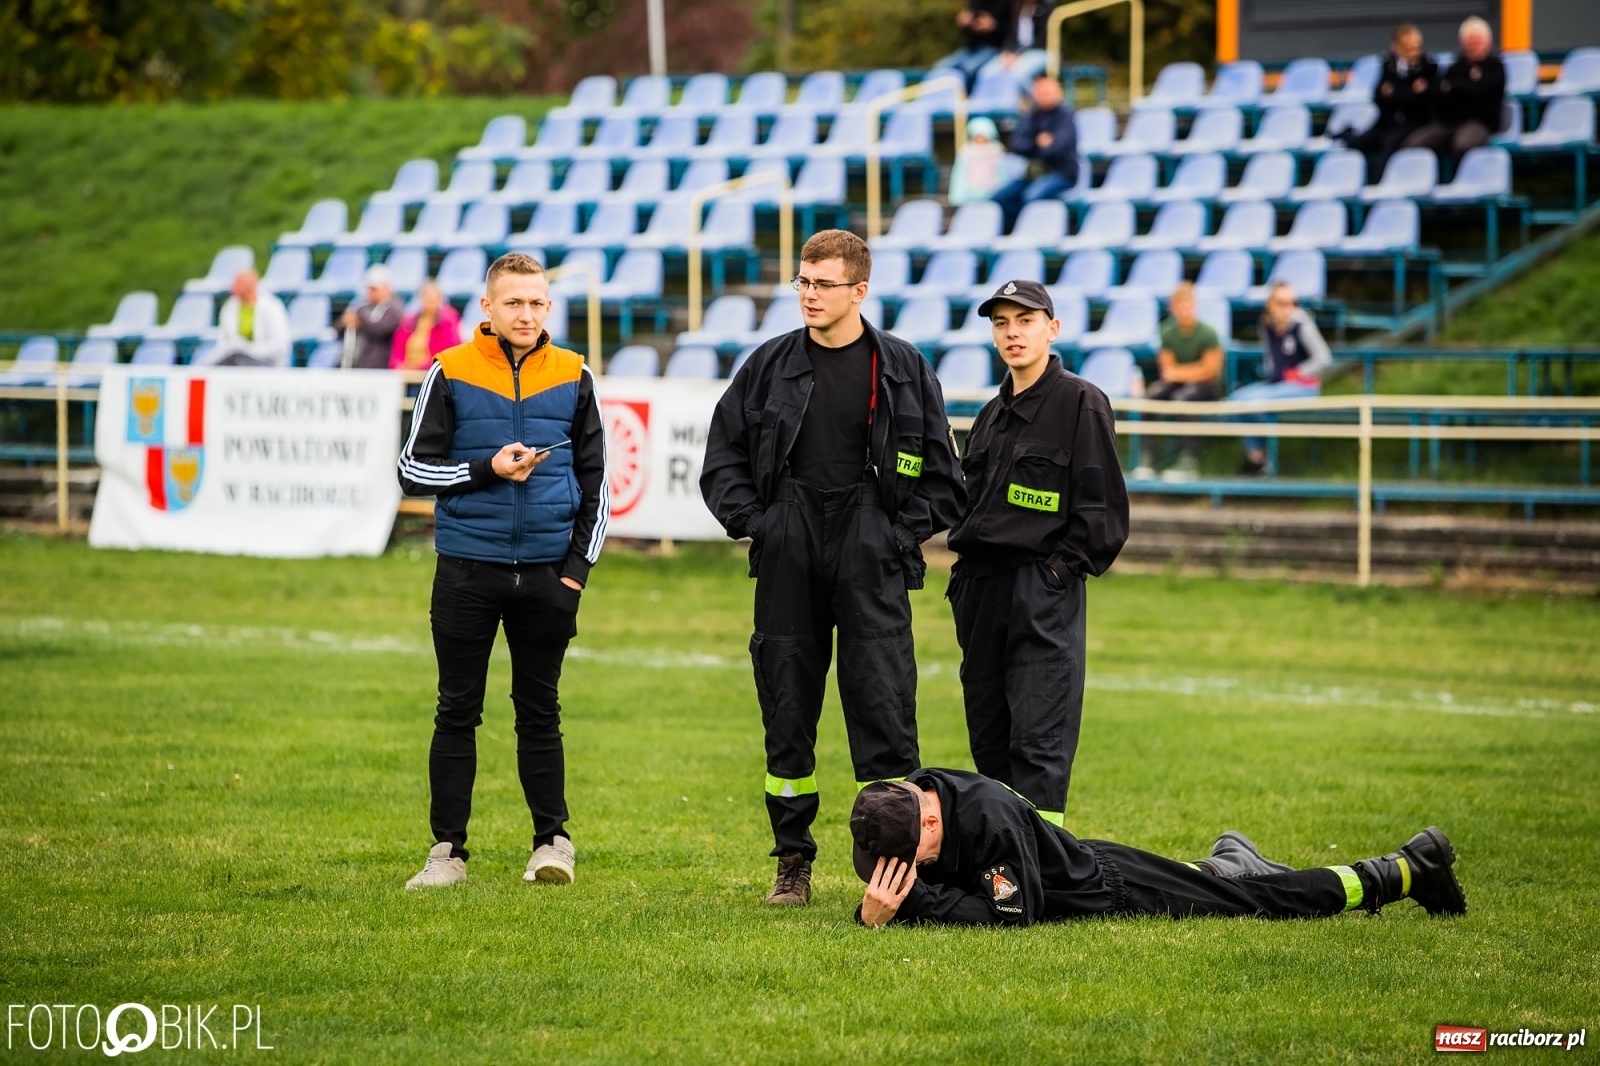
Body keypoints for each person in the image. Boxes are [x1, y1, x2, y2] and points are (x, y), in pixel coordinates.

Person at [700, 230, 965, 907]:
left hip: (870, 550)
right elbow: (722, 461)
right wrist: (760, 524)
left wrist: (895, 535)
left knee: (883, 709)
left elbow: (944, 479)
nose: (809, 295)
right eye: (804, 282)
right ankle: (792, 861)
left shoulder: (903, 369)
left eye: (823, 284)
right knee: (787, 708)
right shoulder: (767, 366)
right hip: (789, 545)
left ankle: (889, 866)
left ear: (859, 291)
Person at [397, 252, 609, 890]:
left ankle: (552, 843)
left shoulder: (575, 374)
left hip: (547, 576)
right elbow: (411, 470)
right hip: (466, 572)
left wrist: (575, 572)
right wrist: (485, 467)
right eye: (512, 302)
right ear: (487, 308)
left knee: (539, 710)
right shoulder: (450, 370)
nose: (526, 313)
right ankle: (446, 852)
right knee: (456, 710)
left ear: (549, 306)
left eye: (537, 302)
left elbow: (597, 484)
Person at [945, 280, 1127, 827]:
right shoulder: (990, 415)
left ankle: (1044, 872)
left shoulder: (1081, 402)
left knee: (1039, 738)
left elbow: (1103, 515)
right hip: (981, 593)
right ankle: (1005, 862)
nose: (1012, 332)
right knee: (989, 737)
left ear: (1052, 328)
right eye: (1001, 323)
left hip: (1039, 591)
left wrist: (1055, 574)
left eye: (1025, 320)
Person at [850, 772, 1467, 928]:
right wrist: (876, 906)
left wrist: (910, 906)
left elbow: (1012, 916)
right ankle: (1228, 861)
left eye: (917, 855)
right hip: (1094, 860)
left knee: (1260, 904)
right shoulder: (908, 797)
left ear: (931, 817)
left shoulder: (989, 822)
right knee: (1227, 888)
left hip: (1115, 888)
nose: (914, 867)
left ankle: (1401, 871)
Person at [1229, 283, 1332, 476]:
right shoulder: (1266, 324)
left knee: (1255, 404)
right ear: (1270, 304)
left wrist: (1301, 371)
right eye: (1282, 303)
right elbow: (1272, 357)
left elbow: (1324, 358)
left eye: (1292, 303)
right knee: (1236, 399)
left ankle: (1269, 460)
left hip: (1302, 387)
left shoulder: (1302, 324)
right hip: (1277, 384)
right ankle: (1256, 456)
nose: (1288, 308)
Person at [1142, 281, 1224, 482]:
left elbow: (1211, 372)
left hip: (1207, 389)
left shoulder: (1209, 333)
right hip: (1180, 385)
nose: (1185, 310)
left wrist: (1181, 373)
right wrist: (1194, 371)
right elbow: (1167, 371)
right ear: (1174, 308)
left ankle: (1187, 461)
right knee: (1150, 397)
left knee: (1183, 399)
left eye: (1188, 305)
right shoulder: (1167, 332)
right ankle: (1147, 458)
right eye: (1181, 306)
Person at [1339, 24, 1437, 179]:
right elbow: (1378, 97)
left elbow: (1421, 101)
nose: (1414, 52)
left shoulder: (1429, 66)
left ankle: (1379, 186)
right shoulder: (1388, 65)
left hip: (1414, 124)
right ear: (1396, 47)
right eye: (1408, 47)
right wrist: (1409, 92)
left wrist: (1394, 93)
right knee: (1354, 144)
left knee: (1389, 142)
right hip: (1386, 123)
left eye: (1416, 47)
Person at [1403, 17, 1506, 164]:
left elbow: (1482, 92)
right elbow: (1441, 93)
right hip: (1449, 123)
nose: (1473, 46)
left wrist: (1456, 88)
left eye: (1477, 42)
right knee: (1412, 144)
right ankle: (1428, 182)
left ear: (1488, 43)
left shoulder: (1495, 68)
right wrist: (1468, 87)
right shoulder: (1455, 68)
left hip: (1480, 123)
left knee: (1462, 145)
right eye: (1469, 43)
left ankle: (1463, 184)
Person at [992, 73, 1079, 231]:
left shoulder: (1065, 116)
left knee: (1032, 196)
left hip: (1062, 174)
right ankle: (1012, 232)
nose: (1043, 96)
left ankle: (1032, 232)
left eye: (1048, 92)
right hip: (1032, 175)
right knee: (1000, 197)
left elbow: (1058, 148)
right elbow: (1016, 144)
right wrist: (1037, 144)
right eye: (1040, 92)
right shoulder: (1031, 116)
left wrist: (1033, 148)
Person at [200, 269, 291, 368]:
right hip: (234, 358)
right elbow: (223, 341)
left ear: (249, 286)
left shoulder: (272, 307)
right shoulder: (229, 306)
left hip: (266, 362)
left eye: (237, 283)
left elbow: (278, 346)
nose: (232, 286)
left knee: (237, 356)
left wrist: (248, 349)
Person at [976, 1, 1058, 95]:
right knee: (986, 73)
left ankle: (1037, 104)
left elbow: (1043, 37)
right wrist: (1006, 52)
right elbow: (1010, 35)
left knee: (1018, 75)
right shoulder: (1016, 7)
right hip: (1014, 53)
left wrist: (1019, 54)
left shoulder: (1045, 6)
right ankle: (990, 106)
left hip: (1040, 51)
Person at [340, 265, 405, 370]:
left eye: (375, 289)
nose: (371, 293)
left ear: (387, 287)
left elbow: (379, 329)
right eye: (369, 289)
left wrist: (359, 316)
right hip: (360, 362)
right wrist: (345, 321)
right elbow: (339, 331)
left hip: (380, 365)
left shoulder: (395, 308)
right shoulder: (364, 307)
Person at [390, 280, 462, 371]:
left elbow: (449, 353)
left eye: (432, 299)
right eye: (426, 298)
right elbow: (397, 350)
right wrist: (399, 365)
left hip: (432, 373)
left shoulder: (448, 322)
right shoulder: (408, 321)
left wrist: (422, 366)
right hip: (406, 372)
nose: (429, 302)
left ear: (440, 300)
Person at [937, 1, 1012, 88]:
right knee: (941, 68)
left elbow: (1015, 31)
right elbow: (967, 32)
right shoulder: (975, 3)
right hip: (973, 48)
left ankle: (965, 99)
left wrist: (994, 26)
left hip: (995, 48)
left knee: (967, 70)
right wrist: (964, 23)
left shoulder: (1009, 3)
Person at [947, 116, 1009, 205]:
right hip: (970, 196)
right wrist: (957, 197)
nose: (980, 139)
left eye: (983, 136)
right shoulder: (966, 152)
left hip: (992, 195)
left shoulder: (997, 152)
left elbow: (1002, 175)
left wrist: (1002, 195)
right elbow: (959, 175)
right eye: (978, 136)